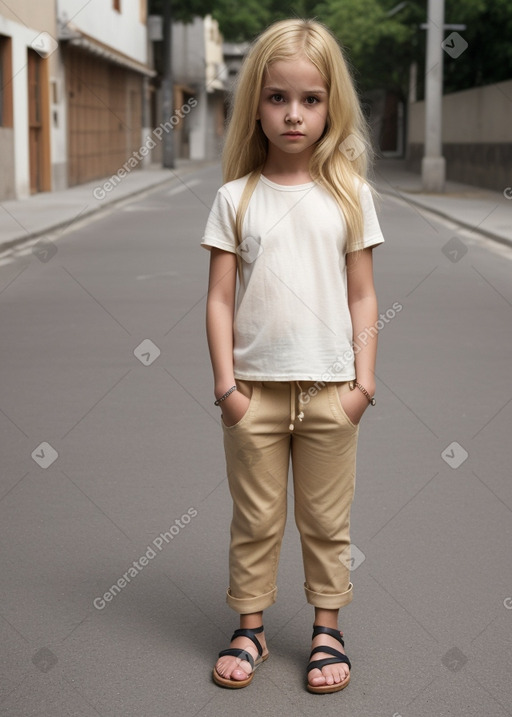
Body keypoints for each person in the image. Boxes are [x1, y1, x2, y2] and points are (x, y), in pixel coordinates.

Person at [201, 18, 384, 694]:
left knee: (327, 521)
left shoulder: (350, 195)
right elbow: (220, 300)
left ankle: (326, 626)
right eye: (278, 98)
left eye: (310, 99)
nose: (294, 114)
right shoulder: (235, 198)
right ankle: (249, 625)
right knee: (255, 518)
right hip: (255, 391)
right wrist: (228, 388)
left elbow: (364, 296)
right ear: (256, 102)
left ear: (331, 103)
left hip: (333, 389)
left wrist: (363, 383)